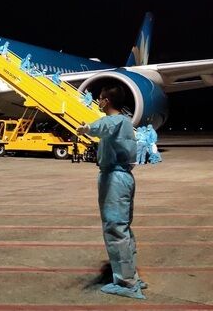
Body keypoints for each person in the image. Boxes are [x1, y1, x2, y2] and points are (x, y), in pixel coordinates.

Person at [77, 85, 147, 300]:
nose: (98, 101)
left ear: (106, 101)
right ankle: (130, 275)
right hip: (122, 176)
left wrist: (87, 128)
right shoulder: (125, 122)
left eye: (100, 98)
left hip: (115, 179)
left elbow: (105, 125)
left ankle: (127, 282)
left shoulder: (116, 121)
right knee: (123, 228)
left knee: (115, 228)